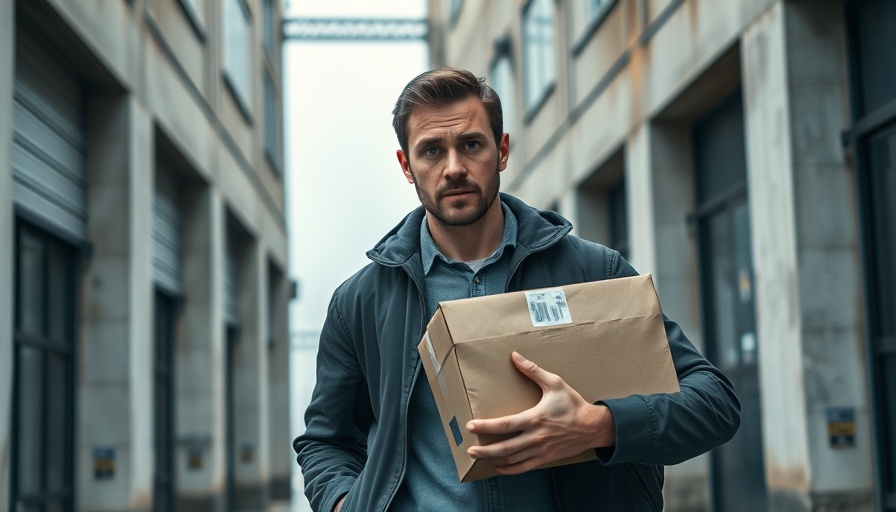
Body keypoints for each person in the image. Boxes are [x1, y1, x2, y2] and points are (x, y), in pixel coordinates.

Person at [293, 67, 740, 512]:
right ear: (407, 166)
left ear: (502, 151)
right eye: (431, 151)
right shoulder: (361, 303)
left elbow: (714, 403)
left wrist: (599, 425)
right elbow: (326, 442)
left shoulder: (592, 271)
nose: (454, 168)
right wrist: (344, 504)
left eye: (471, 145)